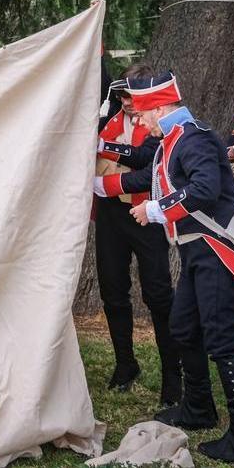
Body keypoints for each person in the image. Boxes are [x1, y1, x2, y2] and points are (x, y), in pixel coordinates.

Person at [98, 72, 234, 464]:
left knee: (223, 339)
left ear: (158, 108)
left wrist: (154, 209)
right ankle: (198, 408)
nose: (137, 123)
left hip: (216, 251)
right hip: (196, 252)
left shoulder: (192, 138)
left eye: (140, 114)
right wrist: (102, 161)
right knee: (183, 326)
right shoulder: (172, 140)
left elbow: (205, 189)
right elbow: (147, 166)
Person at [92, 63, 181, 406]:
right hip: (112, 216)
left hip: (146, 214)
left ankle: (173, 378)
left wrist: (105, 150)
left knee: (158, 296)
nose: (127, 101)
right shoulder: (108, 120)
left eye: (133, 94)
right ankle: (125, 365)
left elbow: (147, 159)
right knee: (113, 290)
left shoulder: (159, 124)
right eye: (122, 94)